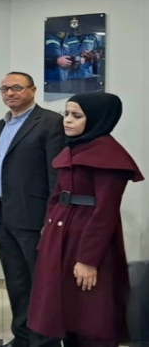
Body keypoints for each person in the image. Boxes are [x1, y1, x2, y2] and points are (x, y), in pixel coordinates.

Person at [29, 92, 144, 347]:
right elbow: (57, 196)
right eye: (66, 114)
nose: (67, 120)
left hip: (85, 240)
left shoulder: (108, 155)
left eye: (76, 115)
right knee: (62, 308)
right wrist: (47, 230)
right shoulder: (74, 148)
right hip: (60, 235)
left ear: (97, 119)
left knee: (89, 313)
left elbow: (105, 213)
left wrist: (88, 259)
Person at [0, 72, 65, 347]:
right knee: (16, 282)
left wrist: (50, 219)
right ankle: (22, 336)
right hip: (3, 215)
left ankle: (44, 342)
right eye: (4, 89)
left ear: (32, 90)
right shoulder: (1, 124)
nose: (10, 93)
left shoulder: (51, 122)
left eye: (17, 87)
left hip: (34, 219)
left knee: (42, 285)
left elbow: (57, 176)